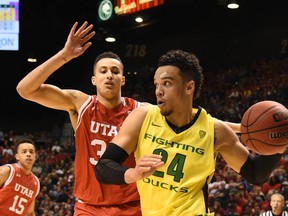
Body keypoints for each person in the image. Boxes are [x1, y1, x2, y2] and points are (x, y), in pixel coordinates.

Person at [95, 49, 284, 215]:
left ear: (189, 87)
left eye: (167, 83)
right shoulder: (143, 117)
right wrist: (133, 174)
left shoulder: (215, 130)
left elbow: (255, 173)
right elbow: (103, 167)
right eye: (156, 84)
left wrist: (281, 139)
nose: (158, 91)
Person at [16, 21, 142, 215]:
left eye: (115, 72)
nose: (109, 75)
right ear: (94, 79)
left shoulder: (139, 111)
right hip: (89, 207)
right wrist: (64, 56)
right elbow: (25, 90)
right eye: (103, 71)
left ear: (123, 80)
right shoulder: (81, 104)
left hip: (132, 206)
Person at [0, 138, 40, 216]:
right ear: (17, 156)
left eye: (31, 152)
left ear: (35, 157)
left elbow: (30, 213)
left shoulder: (36, 183)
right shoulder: (7, 171)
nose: (28, 154)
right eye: (24, 152)